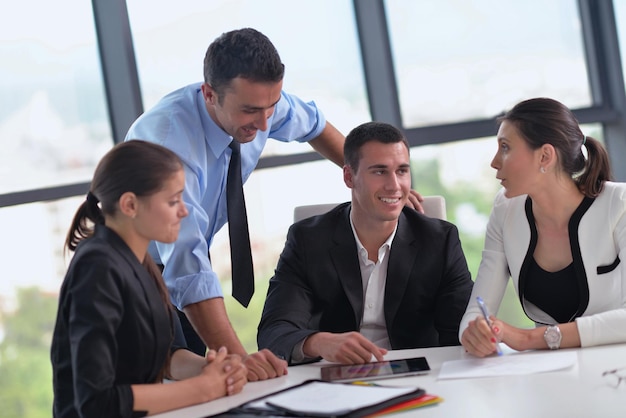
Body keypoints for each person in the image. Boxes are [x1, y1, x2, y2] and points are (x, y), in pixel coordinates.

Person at [125, 28, 424, 379]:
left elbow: (315, 125)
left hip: (184, 256)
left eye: (272, 106)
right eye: (251, 110)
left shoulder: (263, 106)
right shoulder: (170, 145)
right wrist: (241, 358)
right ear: (209, 94)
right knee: (159, 380)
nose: (266, 123)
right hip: (136, 263)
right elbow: (187, 265)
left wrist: (370, 180)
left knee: (200, 380)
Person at [51, 140, 247, 418]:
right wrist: (202, 389)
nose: (184, 211)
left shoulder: (140, 259)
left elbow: (166, 356)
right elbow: (96, 403)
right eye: (173, 201)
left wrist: (215, 371)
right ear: (130, 204)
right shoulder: (96, 268)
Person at [257, 121, 474, 365]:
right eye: (380, 171)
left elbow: (461, 331)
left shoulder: (440, 240)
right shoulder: (308, 241)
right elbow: (274, 332)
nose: (394, 185)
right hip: (336, 380)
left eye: (402, 171)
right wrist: (317, 342)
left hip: (421, 376)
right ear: (349, 176)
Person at [460, 97, 626, 357]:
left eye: (505, 147)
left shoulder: (619, 204)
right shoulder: (505, 210)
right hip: (547, 373)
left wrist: (528, 338)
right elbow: (477, 308)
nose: (494, 161)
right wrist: (474, 332)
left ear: (545, 156)